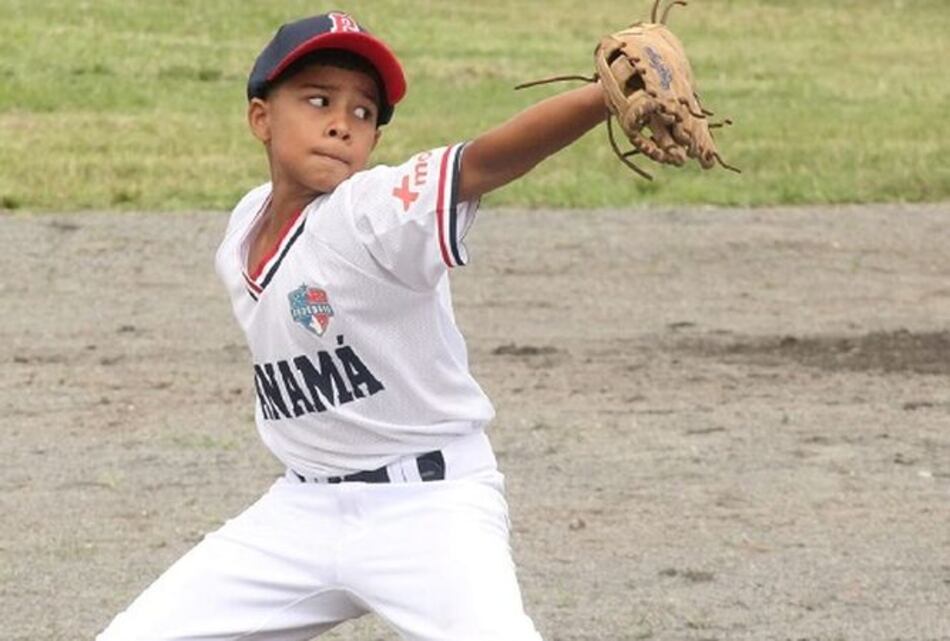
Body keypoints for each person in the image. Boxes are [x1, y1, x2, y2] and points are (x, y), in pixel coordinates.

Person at [98, 11, 606, 641]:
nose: (342, 122)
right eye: (318, 100)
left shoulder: (369, 213)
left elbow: (484, 162)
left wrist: (603, 98)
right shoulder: (245, 224)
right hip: (300, 511)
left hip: (430, 510)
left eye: (364, 112)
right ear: (261, 118)